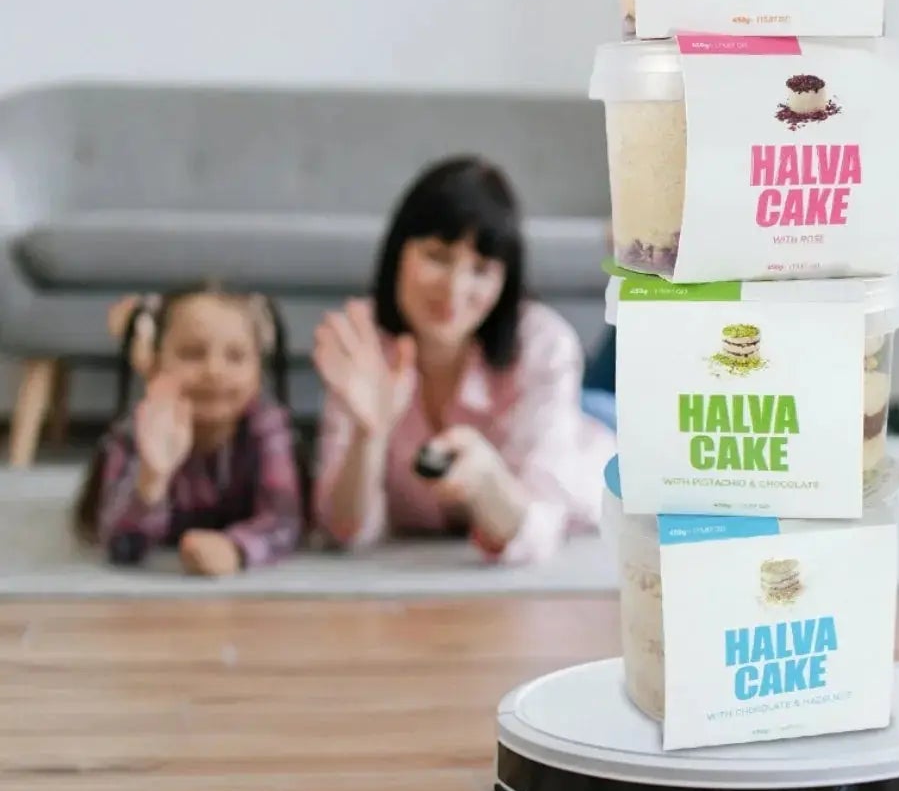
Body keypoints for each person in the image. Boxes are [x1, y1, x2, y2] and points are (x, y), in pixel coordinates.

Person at [312, 157, 615, 565]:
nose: (454, 288)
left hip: (602, 441)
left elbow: (539, 530)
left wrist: (488, 480)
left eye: (482, 268)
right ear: (398, 253)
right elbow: (343, 530)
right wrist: (369, 434)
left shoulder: (543, 342)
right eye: (437, 256)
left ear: (505, 280)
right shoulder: (363, 345)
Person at [73, 283, 304, 575]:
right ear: (155, 364)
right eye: (192, 354)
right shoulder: (137, 431)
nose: (214, 371)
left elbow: (284, 522)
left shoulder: (268, 428)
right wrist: (151, 479)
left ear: (259, 370)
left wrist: (235, 548)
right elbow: (119, 544)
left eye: (236, 356)